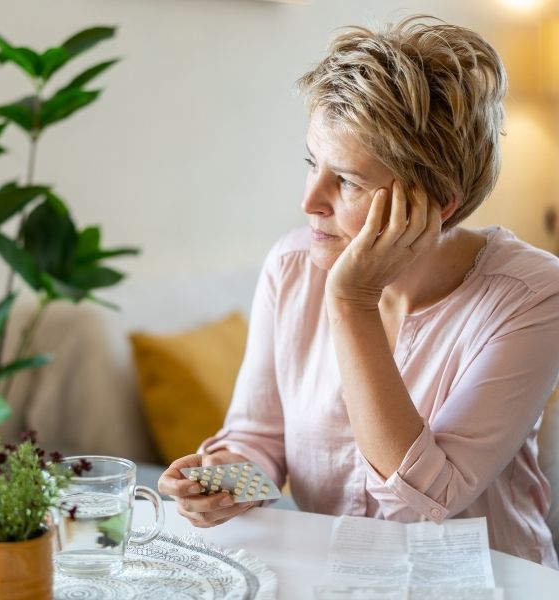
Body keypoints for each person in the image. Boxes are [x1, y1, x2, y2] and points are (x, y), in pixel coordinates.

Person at [158, 15, 559, 567]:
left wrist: (352, 302)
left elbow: (427, 503)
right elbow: (260, 438)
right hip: (339, 578)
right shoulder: (293, 266)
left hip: (494, 581)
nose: (310, 201)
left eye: (346, 180)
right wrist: (222, 481)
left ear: (436, 203)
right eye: (311, 163)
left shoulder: (532, 297)